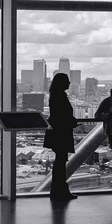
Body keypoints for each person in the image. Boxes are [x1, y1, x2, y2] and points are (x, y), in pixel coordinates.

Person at [43, 73, 79, 201]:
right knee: (61, 162)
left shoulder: (55, 96)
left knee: (60, 162)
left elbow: (57, 115)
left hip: (57, 132)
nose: (69, 83)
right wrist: (71, 121)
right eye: (67, 81)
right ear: (62, 83)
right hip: (62, 132)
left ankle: (57, 190)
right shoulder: (60, 96)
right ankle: (60, 190)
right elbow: (62, 115)